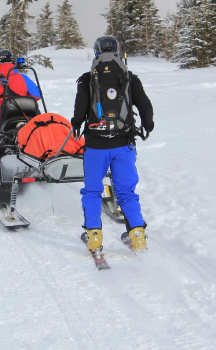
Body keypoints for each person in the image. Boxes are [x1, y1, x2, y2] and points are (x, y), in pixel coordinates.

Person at [71, 35, 154, 254]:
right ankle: (137, 236)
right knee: (126, 193)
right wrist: (147, 125)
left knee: (92, 191)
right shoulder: (129, 77)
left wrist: (76, 124)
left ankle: (94, 237)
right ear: (118, 51)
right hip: (124, 144)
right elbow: (144, 105)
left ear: (97, 52)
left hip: (96, 146)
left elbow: (80, 110)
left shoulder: (87, 78)